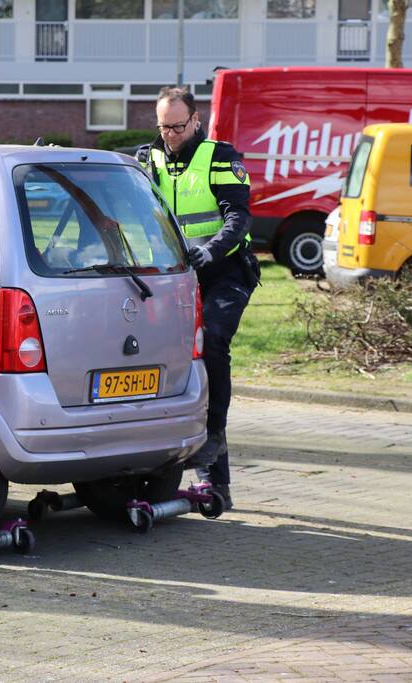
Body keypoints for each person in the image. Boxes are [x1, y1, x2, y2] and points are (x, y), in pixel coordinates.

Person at [142, 87, 259, 510]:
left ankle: (213, 445)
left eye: (177, 125)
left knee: (211, 343)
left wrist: (211, 248)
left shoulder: (220, 157)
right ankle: (157, 463)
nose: (170, 134)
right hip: (175, 278)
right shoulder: (147, 159)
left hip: (225, 272)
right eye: (163, 126)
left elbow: (239, 215)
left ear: (195, 120)